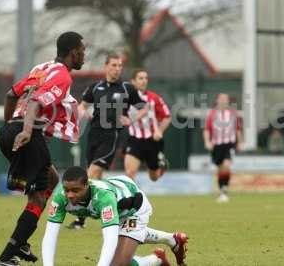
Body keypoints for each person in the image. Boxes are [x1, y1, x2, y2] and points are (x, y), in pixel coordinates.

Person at [0, 32, 85, 266]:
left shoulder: (41, 68)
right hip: (27, 134)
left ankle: (21, 241)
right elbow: (36, 102)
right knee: (38, 199)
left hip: (9, 132)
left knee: (52, 180)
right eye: (82, 50)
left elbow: (11, 94)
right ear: (73, 52)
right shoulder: (63, 76)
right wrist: (25, 130)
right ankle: (5, 258)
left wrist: (7, 128)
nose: (84, 55)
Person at [42, 166, 188, 266]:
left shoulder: (104, 198)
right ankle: (171, 240)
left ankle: (155, 260)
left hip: (134, 207)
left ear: (87, 185)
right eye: (67, 190)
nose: (70, 195)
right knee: (125, 240)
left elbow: (110, 237)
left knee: (117, 264)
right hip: (118, 195)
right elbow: (50, 234)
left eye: (75, 190)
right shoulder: (60, 198)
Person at [68, 53, 147, 229]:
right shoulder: (95, 88)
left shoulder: (127, 88)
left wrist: (131, 119)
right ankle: (106, 212)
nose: (117, 69)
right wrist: (79, 116)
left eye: (120, 66)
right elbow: (83, 106)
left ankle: (83, 215)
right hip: (94, 135)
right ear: (106, 67)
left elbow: (143, 107)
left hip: (112, 136)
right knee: (97, 179)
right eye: (114, 65)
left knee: (92, 173)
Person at [124, 68, 171, 181]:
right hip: (135, 139)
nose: (144, 81)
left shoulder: (154, 98)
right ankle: (133, 198)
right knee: (130, 173)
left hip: (152, 141)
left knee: (153, 177)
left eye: (146, 78)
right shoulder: (125, 99)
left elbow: (167, 117)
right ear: (133, 81)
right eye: (140, 78)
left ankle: (162, 165)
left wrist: (159, 131)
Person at [203, 93, 242, 203]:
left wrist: (239, 142)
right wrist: (207, 142)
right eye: (221, 99)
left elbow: (238, 129)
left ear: (228, 101)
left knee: (226, 165)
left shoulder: (233, 114)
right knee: (220, 168)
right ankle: (222, 191)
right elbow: (206, 130)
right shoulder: (212, 114)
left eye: (225, 99)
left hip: (229, 144)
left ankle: (225, 190)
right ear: (217, 100)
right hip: (216, 145)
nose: (223, 101)